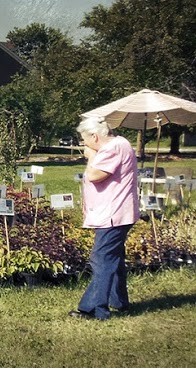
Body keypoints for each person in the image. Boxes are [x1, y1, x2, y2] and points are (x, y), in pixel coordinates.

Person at [70, 116, 140, 320]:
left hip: (113, 215)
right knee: (114, 258)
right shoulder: (121, 144)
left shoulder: (112, 149)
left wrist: (91, 155)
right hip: (118, 213)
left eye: (84, 140)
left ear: (95, 136)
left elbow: (94, 175)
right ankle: (119, 301)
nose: (84, 144)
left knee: (101, 259)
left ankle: (94, 309)